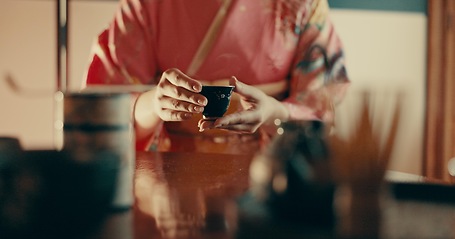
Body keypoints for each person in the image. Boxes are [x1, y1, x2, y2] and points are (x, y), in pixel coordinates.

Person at [83, 0, 350, 154]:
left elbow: (320, 107)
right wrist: (154, 103)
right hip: (168, 175)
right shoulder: (147, 4)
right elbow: (105, 108)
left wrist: (274, 113)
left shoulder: (301, 4)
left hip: (268, 176)